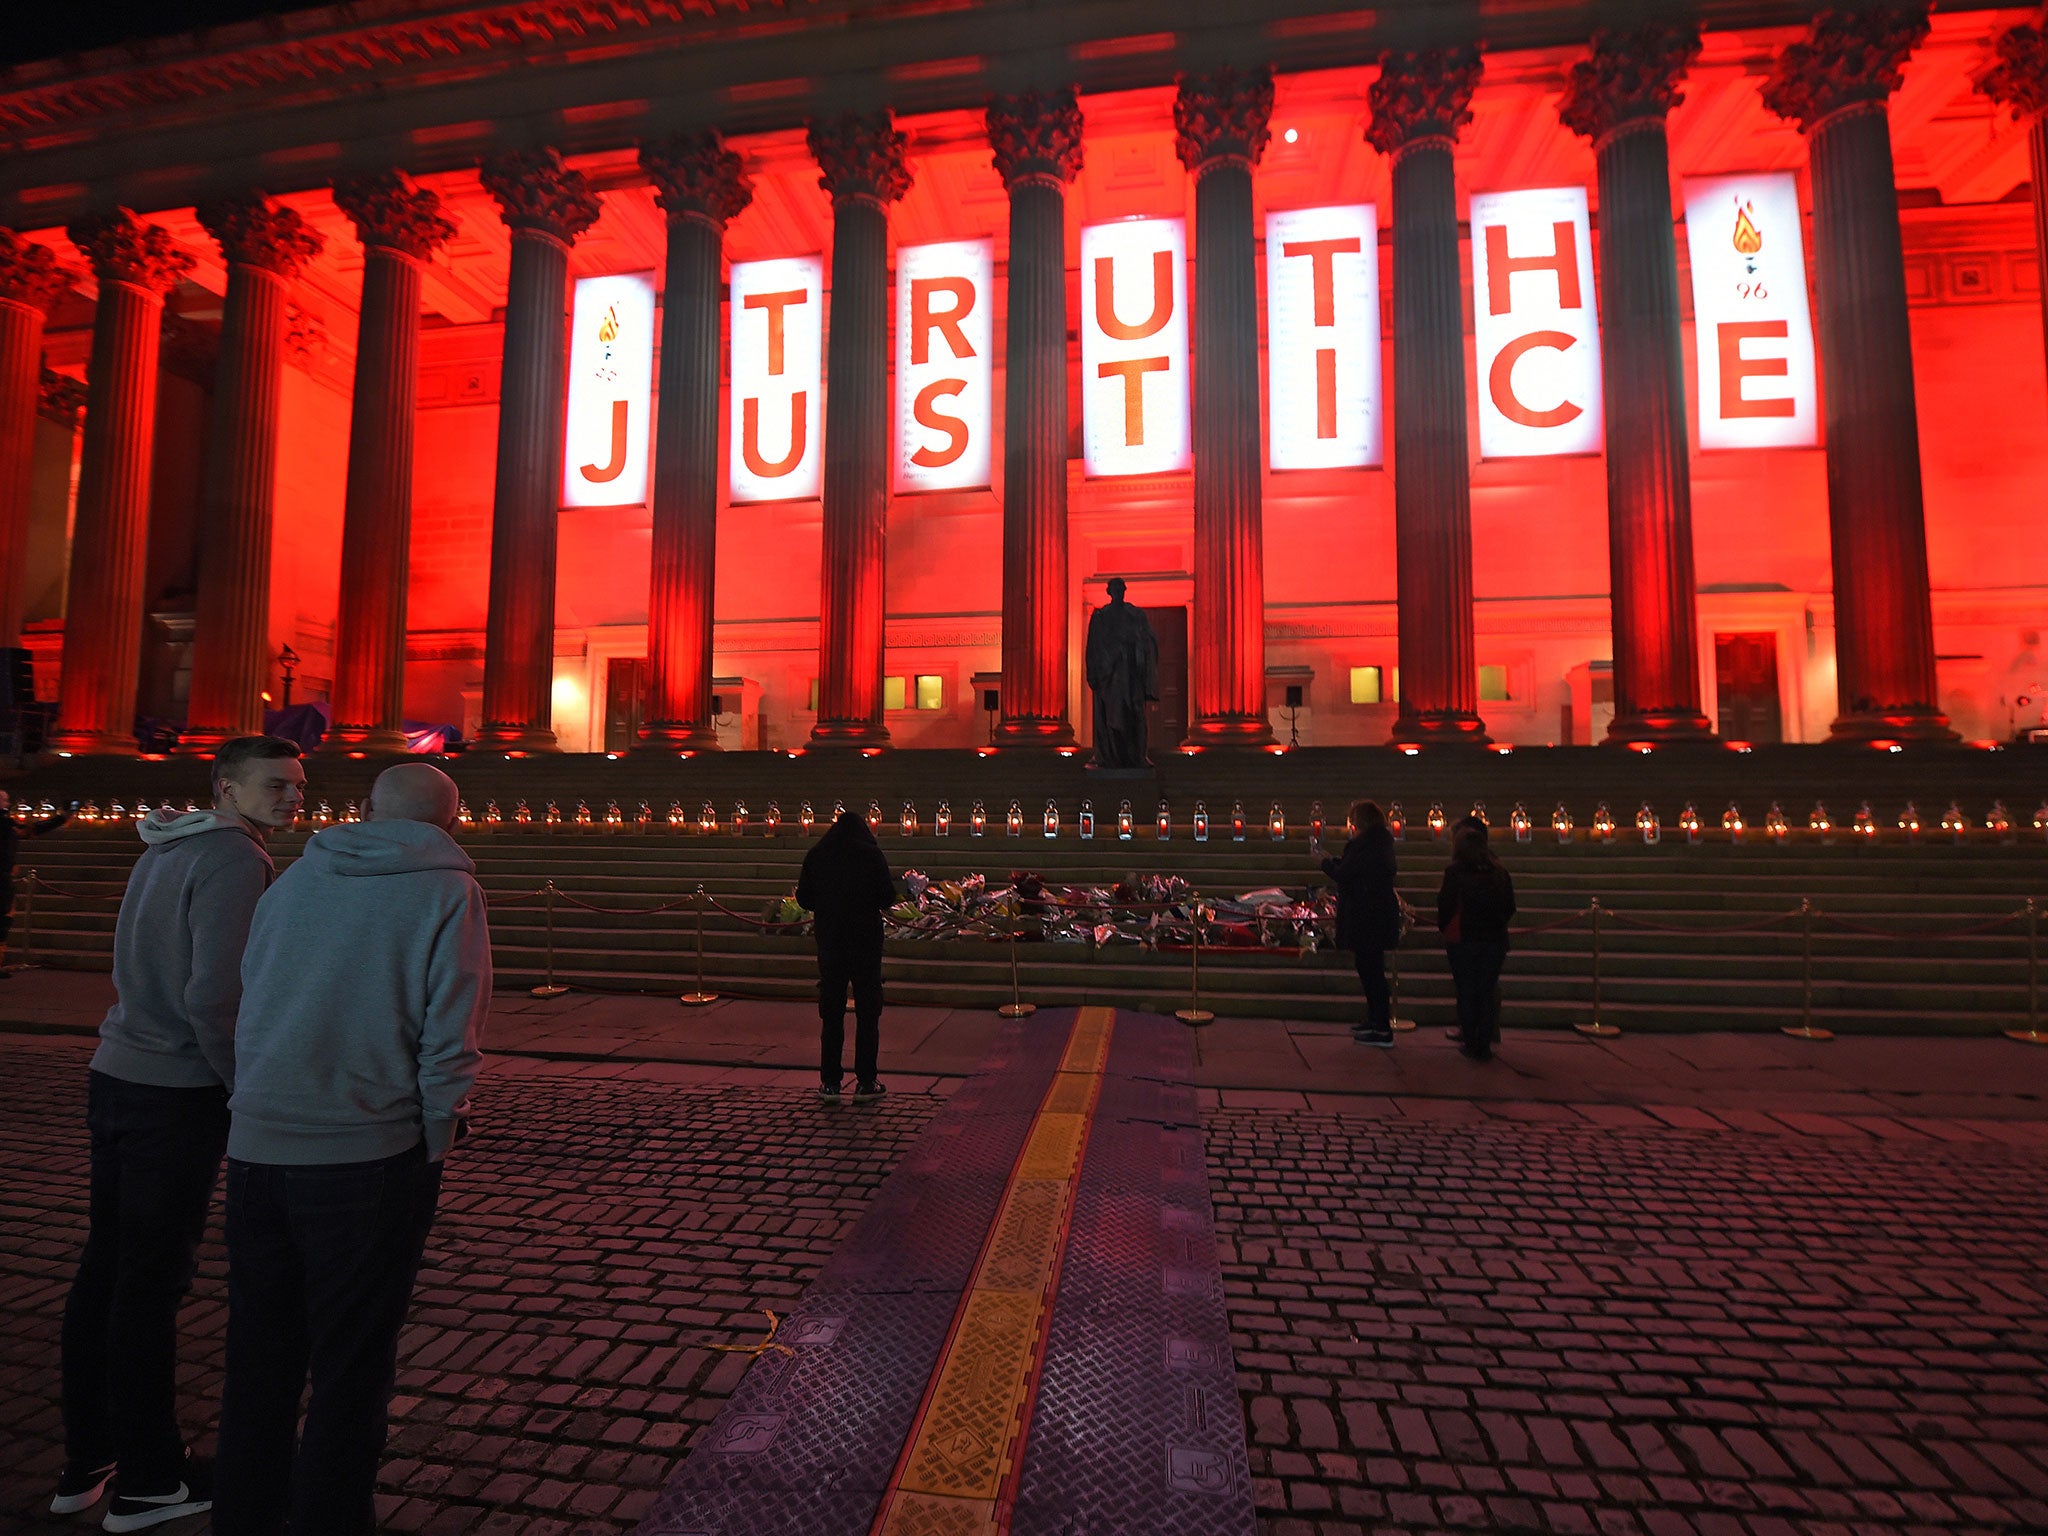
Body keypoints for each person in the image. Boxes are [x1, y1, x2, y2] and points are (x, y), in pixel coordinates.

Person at [212, 761, 490, 1536]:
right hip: (369, 1150)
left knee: (259, 1351)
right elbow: (451, 1030)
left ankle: (244, 1514)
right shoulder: (446, 890)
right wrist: (437, 1133)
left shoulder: (295, 879)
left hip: (261, 1142)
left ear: (366, 810)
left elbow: (250, 992)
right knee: (352, 1359)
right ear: (453, 823)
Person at [54, 736, 305, 1527]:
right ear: (228, 790)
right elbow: (215, 996)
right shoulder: (234, 859)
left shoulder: (167, 846)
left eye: (299, 784)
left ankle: (87, 1457)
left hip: (119, 1068)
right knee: (149, 1284)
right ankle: (151, 1478)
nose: (293, 797)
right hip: (175, 1087)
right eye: (275, 785)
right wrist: (243, 1090)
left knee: (107, 1271)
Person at [796, 807, 896, 1104]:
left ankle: (830, 1082)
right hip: (865, 943)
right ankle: (866, 1081)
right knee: (868, 1012)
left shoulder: (818, 854)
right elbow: (888, 897)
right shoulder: (870, 855)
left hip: (831, 942)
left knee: (832, 1013)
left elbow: (804, 897)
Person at [1320, 799, 1401, 1047]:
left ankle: (1381, 1028)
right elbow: (1353, 869)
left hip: (1368, 917)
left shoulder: (1368, 844)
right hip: (1371, 915)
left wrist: (1324, 863)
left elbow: (1347, 874)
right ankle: (1374, 1020)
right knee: (1368, 969)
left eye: (1354, 818)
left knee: (1372, 972)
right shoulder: (1377, 843)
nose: (1352, 823)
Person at [1437, 817, 1516, 1062]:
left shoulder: (1455, 872)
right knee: (1486, 989)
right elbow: (1510, 906)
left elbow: (1445, 904)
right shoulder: (1499, 871)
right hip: (1494, 940)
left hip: (1464, 939)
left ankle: (1471, 1041)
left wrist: (1445, 927)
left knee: (1467, 990)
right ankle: (1484, 1043)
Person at [1084, 576, 1160, 769]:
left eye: (1121, 589)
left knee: (1135, 713)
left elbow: (1149, 639)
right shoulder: (1101, 617)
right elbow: (1093, 647)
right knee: (1109, 717)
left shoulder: (1135, 615)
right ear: (1109, 592)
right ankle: (1107, 755)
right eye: (1114, 589)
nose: (1118, 592)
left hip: (1131, 674)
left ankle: (1138, 755)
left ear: (1124, 591)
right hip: (1109, 676)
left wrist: (1136, 644)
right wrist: (1100, 670)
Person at [0, 788, 76, 971]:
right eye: (3, 799)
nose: (7, 803)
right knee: (2, 919)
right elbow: (31, 830)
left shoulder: (7, 824)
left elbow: (29, 830)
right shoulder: (6, 825)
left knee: (3, 920)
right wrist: (62, 818)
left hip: (4, 876)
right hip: (2, 878)